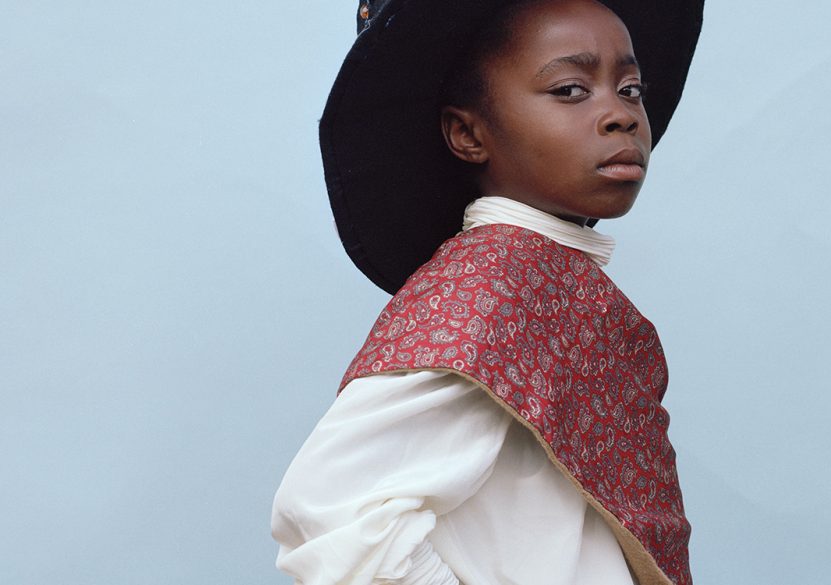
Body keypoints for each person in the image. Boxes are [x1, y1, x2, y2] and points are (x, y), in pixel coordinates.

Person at [271, 1, 703, 584]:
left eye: (630, 88)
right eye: (571, 90)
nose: (620, 114)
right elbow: (326, 510)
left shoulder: (548, 276)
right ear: (468, 134)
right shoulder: (493, 281)